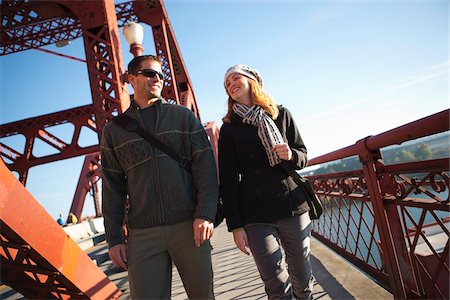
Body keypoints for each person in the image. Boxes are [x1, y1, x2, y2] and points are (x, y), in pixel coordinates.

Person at [101, 54, 218, 299]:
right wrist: (114, 238)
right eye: (150, 73)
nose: (158, 79)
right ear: (132, 79)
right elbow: (113, 187)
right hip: (143, 233)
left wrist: (205, 214)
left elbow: (205, 167)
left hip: (189, 226)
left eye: (161, 75)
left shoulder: (183, 116)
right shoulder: (114, 131)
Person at [218, 64, 314, 299]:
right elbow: (228, 180)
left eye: (235, 78)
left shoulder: (281, 114)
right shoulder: (229, 129)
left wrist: (291, 155)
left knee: (302, 278)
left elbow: (303, 156)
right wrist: (236, 226)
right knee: (275, 283)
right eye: (227, 83)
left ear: (252, 80)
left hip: (291, 204)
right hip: (255, 214)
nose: (231, 84)